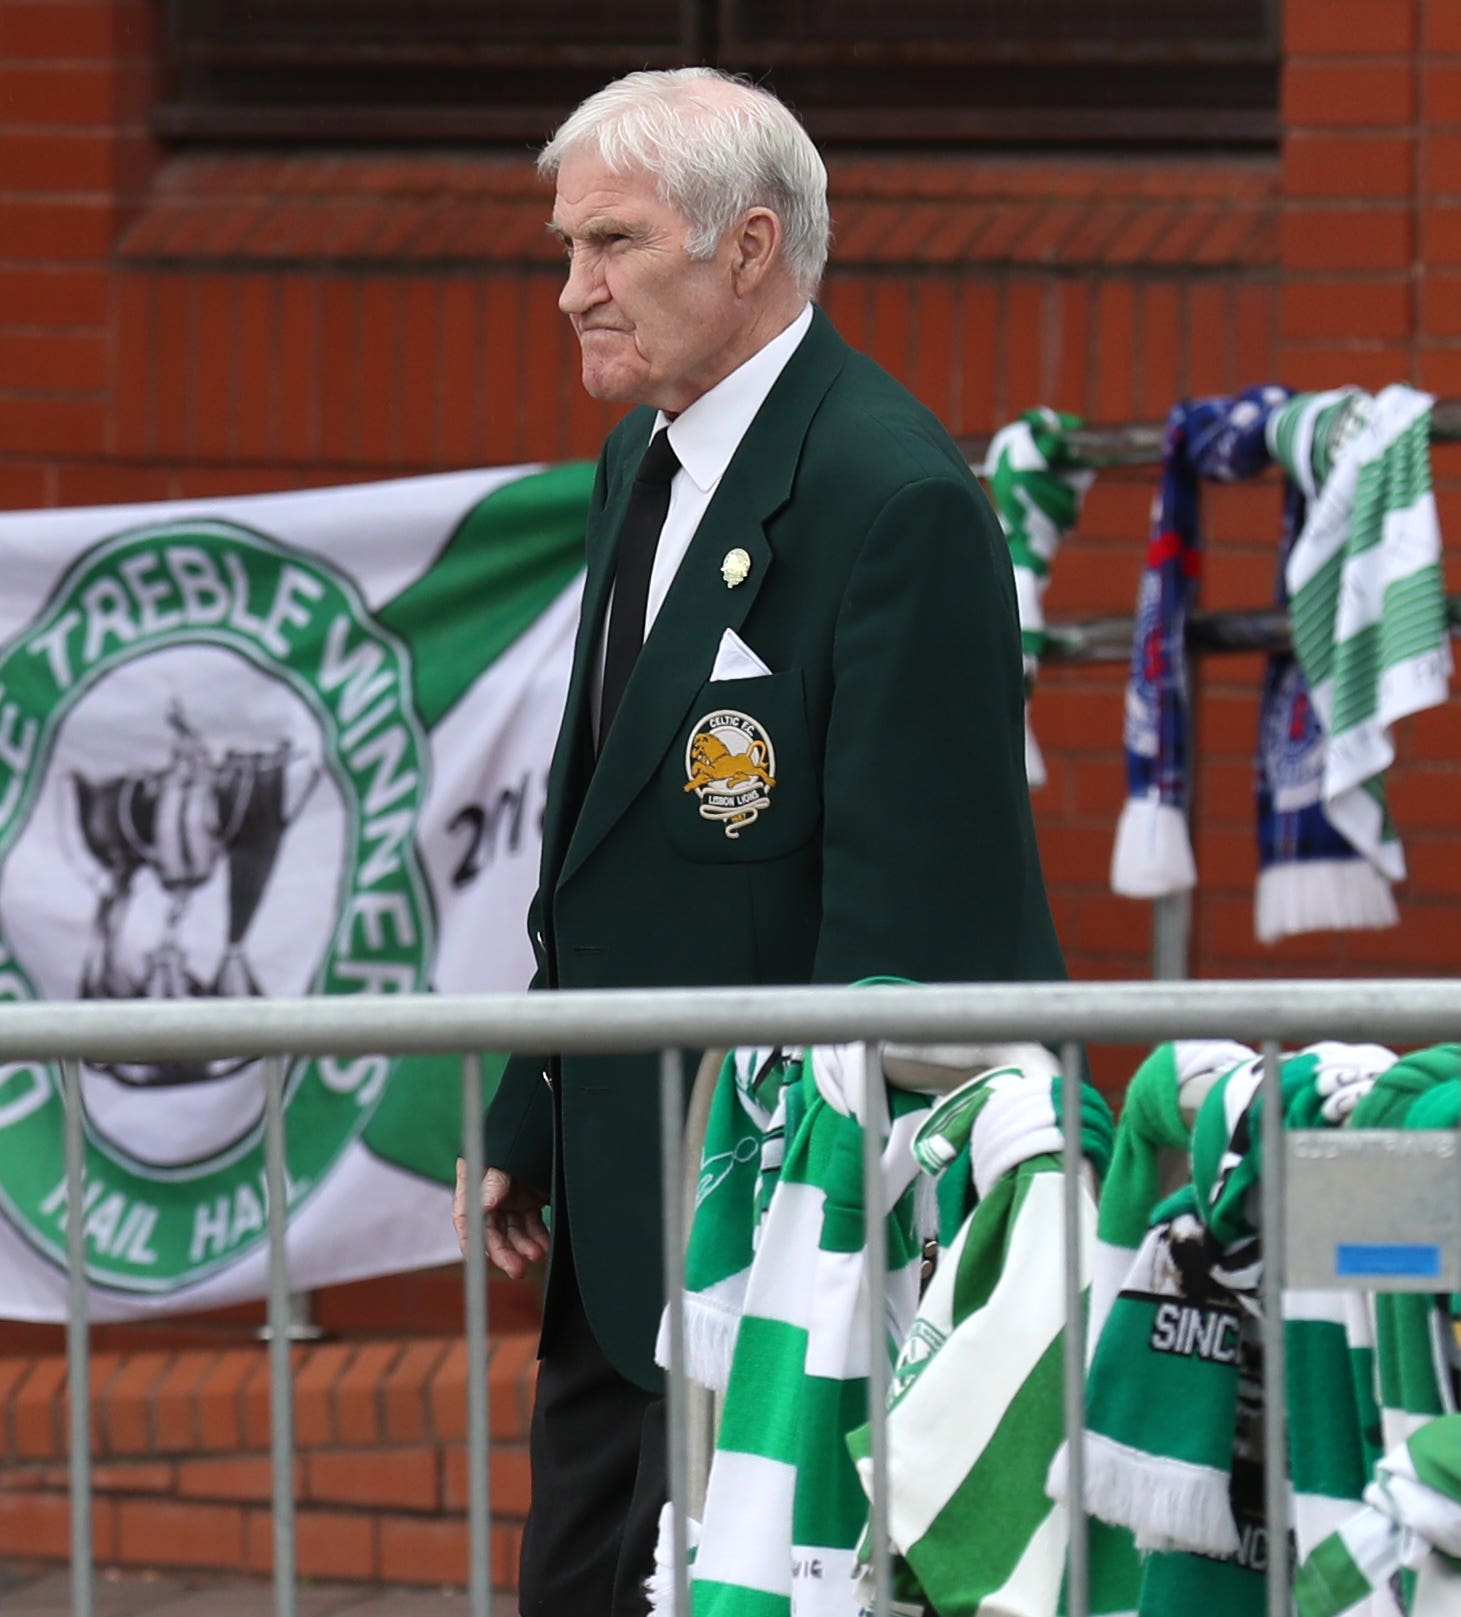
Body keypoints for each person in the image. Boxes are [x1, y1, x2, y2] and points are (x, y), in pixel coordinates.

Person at [452, 67, 1065, 1616]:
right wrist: (535, 1097)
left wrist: (836, 1241)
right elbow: (609, 834)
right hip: (621, 1202)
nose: (572, 289)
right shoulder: (638, 462)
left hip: (783, 1239)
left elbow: (917, 926)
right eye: (564, 246)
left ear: (747, 248)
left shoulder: (891, 496)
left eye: (612, 244)